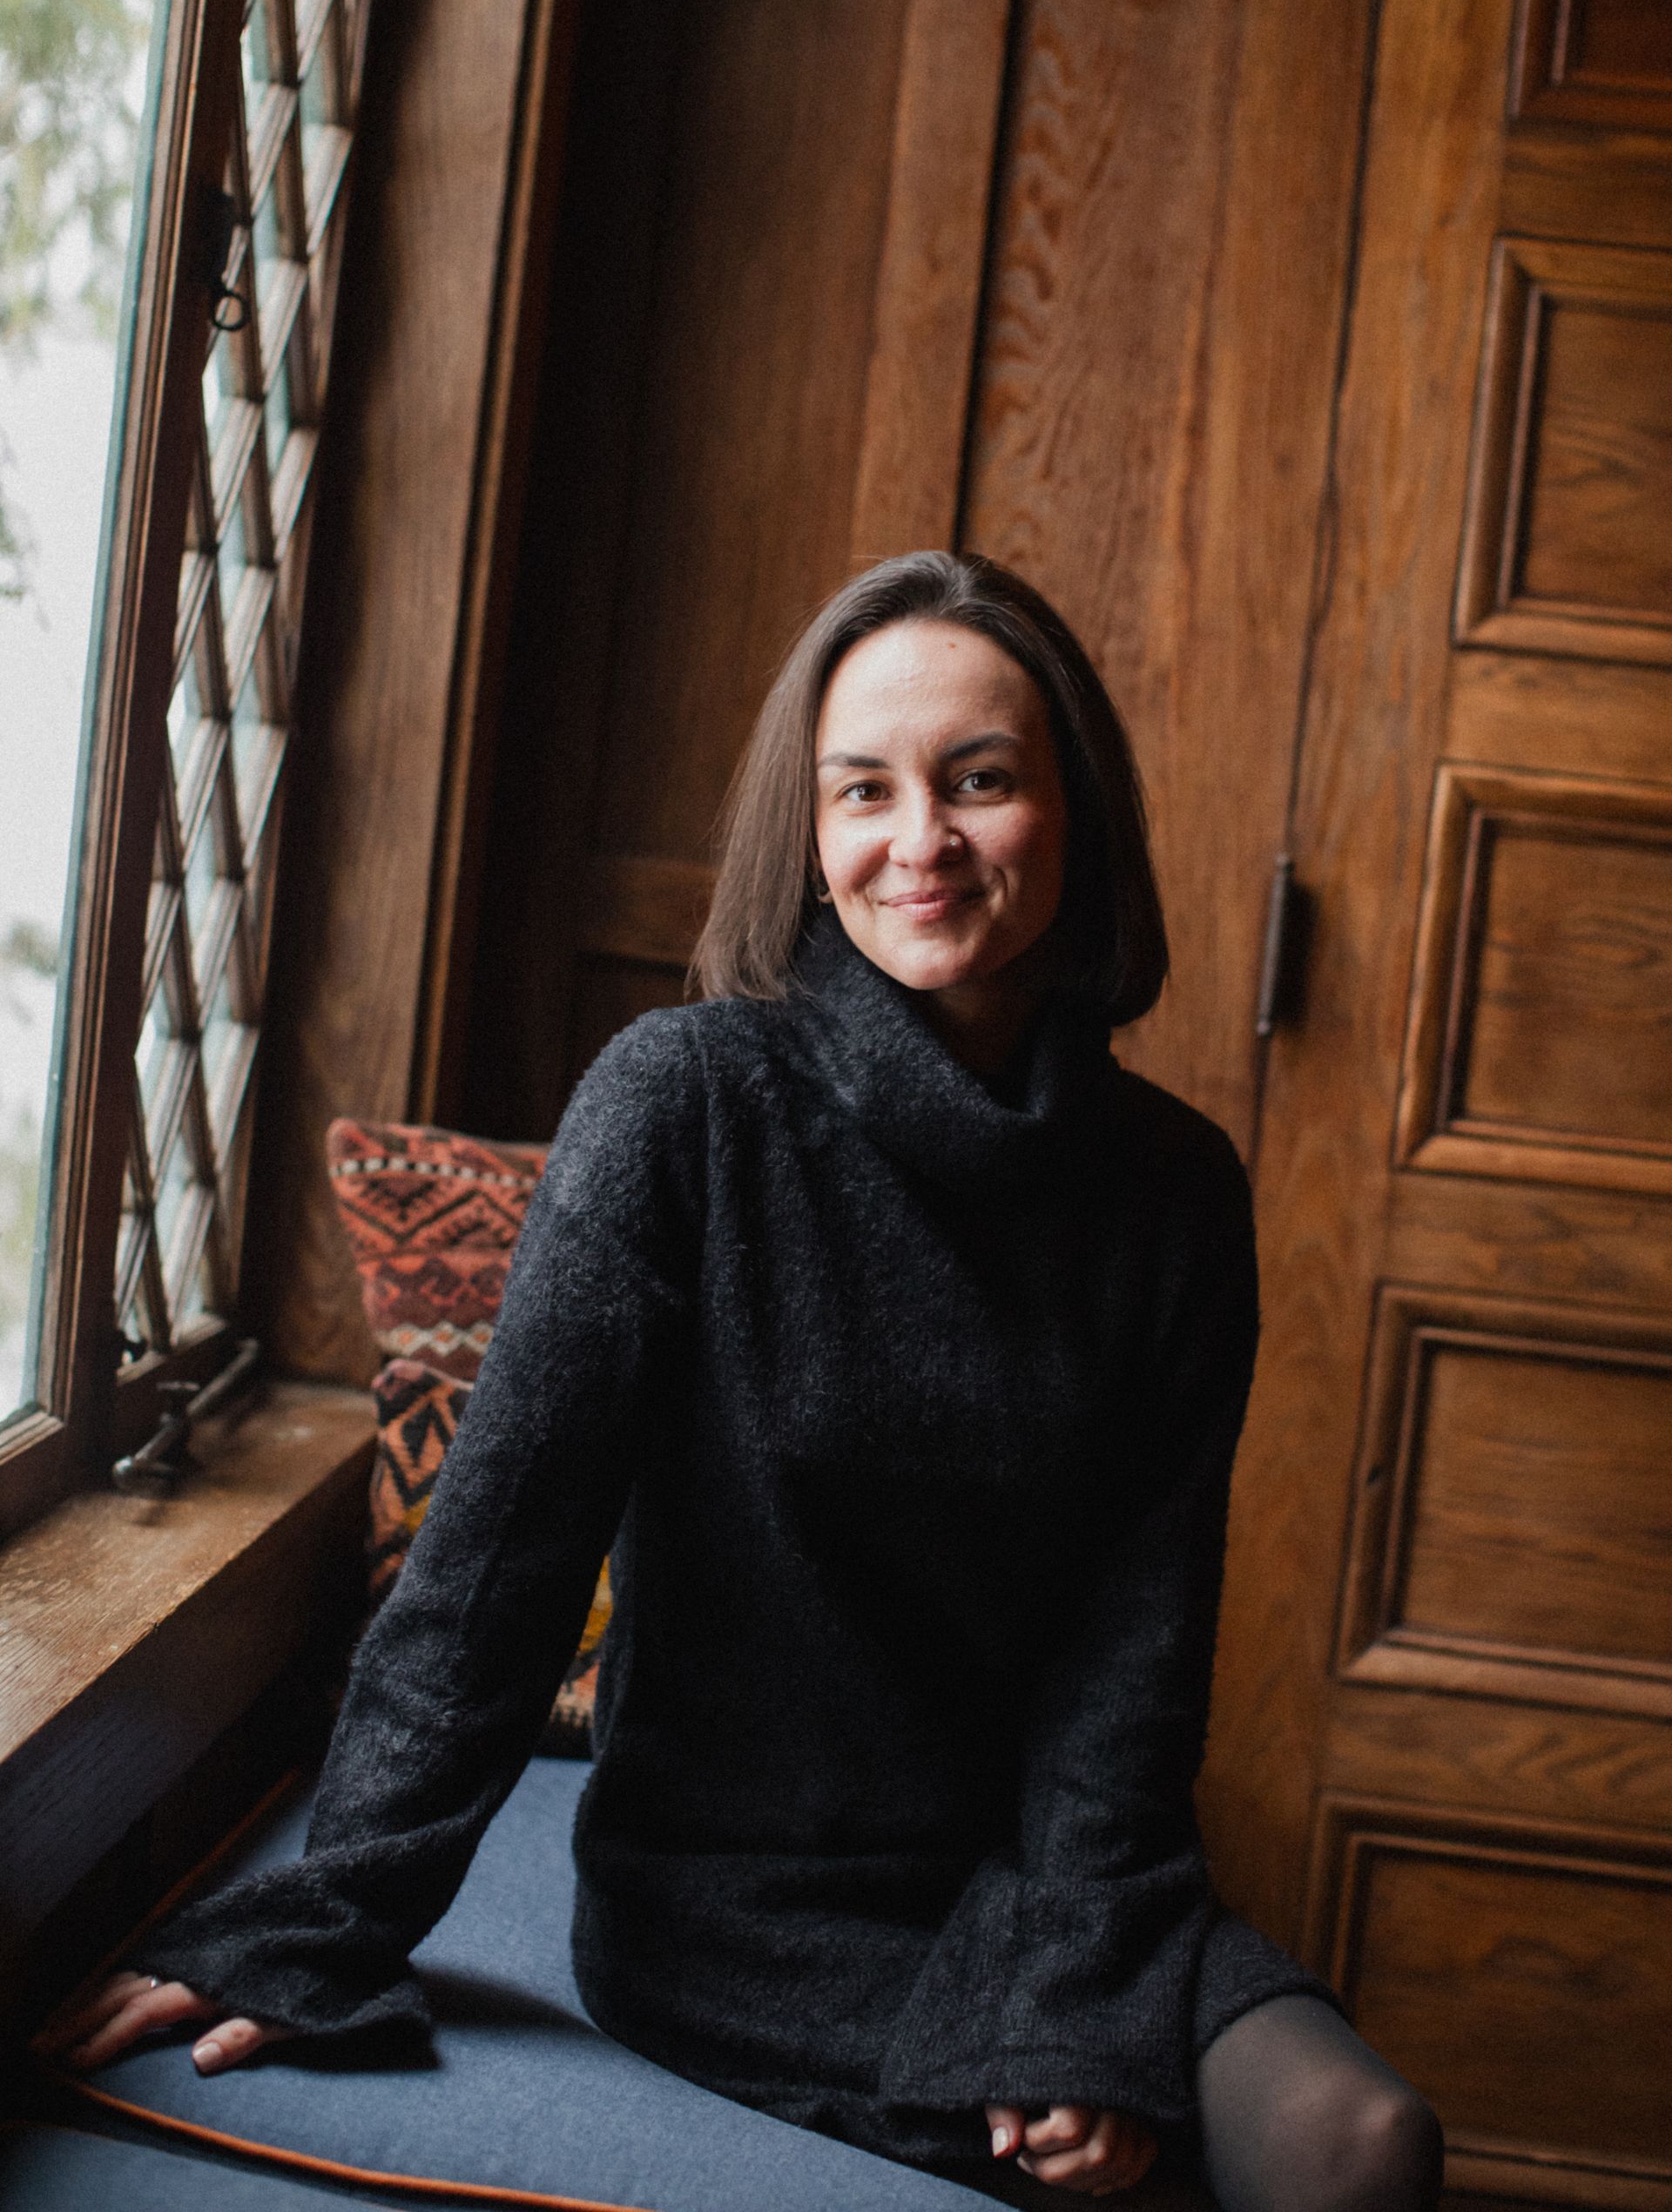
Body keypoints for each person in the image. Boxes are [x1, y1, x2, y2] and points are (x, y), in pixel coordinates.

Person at [43, 554, 1443, 2208]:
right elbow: (497, 1565)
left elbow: (1131, 1654)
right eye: (865, 792)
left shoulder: (1174, 1189)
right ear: (811, 834)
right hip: (737, 1901)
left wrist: (1078, 1986)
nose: (917, 841)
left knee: (1364, 2139)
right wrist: (322, 1909)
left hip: (1045, 1878)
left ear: (1075, 811)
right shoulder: (686, 1105)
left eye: (978, 781)